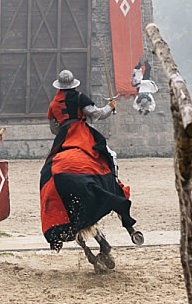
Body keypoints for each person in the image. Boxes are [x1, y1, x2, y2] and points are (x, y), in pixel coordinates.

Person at [39, 69, 140, 257]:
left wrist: (65, 125)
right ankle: (115, 184)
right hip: (81, 134)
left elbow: (54, 128)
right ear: (74, 84)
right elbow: (96, 115)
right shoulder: (79, 97)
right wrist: (110, 107)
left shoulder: (53, 104)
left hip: (63, 138)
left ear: (59, 86)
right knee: (109, 155)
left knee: (47, 171)